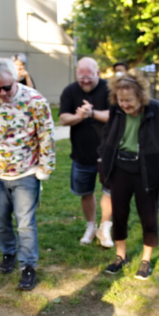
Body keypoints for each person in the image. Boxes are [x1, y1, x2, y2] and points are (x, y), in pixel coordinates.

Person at [0, 57, 55, 291]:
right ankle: (8, 253)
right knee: (0, 220)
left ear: (16, 79)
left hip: (26, 172)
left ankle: (28, 267)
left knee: (25, 223)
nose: (2, 93)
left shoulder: (35, 101)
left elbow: (46, 134)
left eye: (7, 87)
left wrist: (45, 167)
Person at [98, 73, 159, 279]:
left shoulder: (157, 110)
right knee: (119, 214)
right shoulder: (116, 109)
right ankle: (120, 256)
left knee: (148, 216)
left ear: (141, 96)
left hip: (146, 170)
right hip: (120, 168)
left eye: (129, 100)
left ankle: (145, 260)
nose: (124, 105)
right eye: (121, 100)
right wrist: (103, 156)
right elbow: (107, 135)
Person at [58, 57, 113, 247]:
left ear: (98, 73)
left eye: (89, 77)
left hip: (108, 153)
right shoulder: (70, 91)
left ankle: (105, 228)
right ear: (76, 75)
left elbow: (115, 115)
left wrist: (92, 113)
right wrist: (79, 115)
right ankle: (91, 226)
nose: (86, 81)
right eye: (81, 78)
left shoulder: (109, 89)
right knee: (85, 192)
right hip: (81, 153)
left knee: (109, 191)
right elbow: (64, 119)